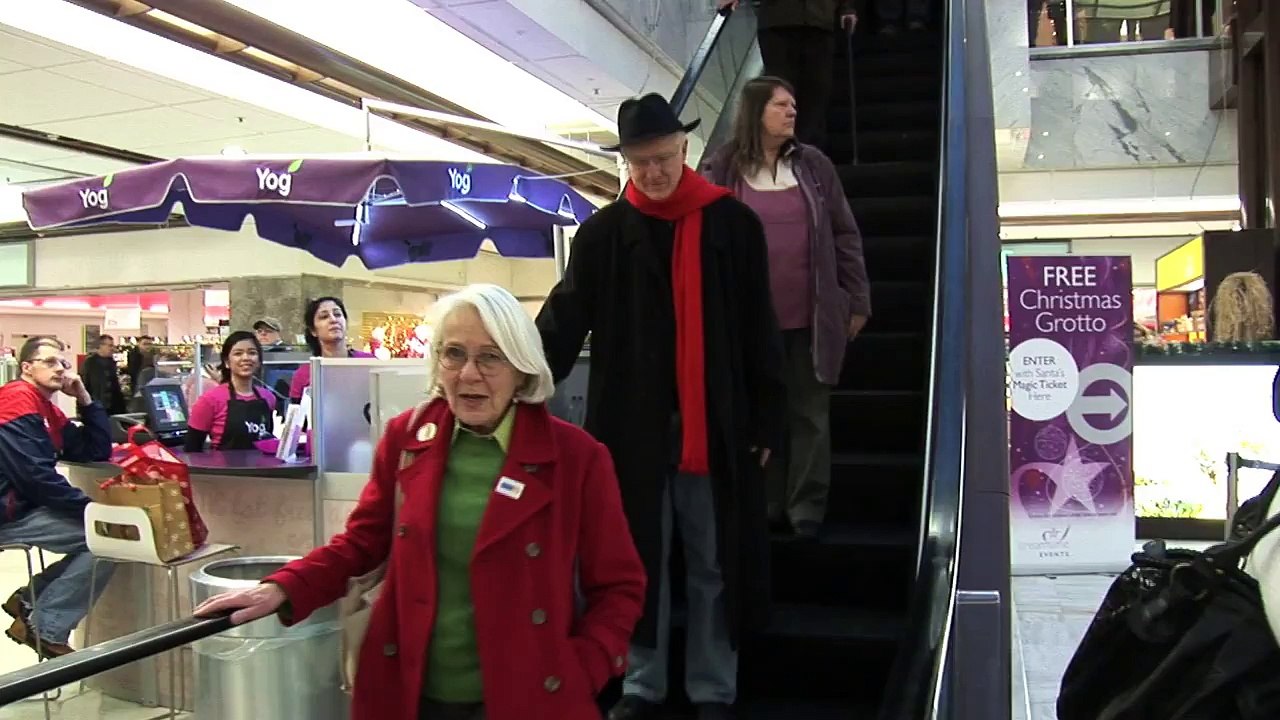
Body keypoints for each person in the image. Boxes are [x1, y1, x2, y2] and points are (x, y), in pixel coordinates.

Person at [195, 284, 645, 720]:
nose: (468, 374)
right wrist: (284, 587)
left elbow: (619, 587)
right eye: (454, 354)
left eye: (491, 357)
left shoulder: (576, 458)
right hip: (411, 693)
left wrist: (582, 669)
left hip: (531, 696)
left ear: (522, 369)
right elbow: (361, 543)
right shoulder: (406, 439)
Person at [536, 93, 786, 720]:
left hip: (715, 428)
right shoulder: (603, 235)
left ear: (685, 150)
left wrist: (766, 419)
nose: (652, 173)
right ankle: (641, 684)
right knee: (636, 561)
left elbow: (760, 328)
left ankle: (712, 688)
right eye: (640, 162)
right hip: (631, 431)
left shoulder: (733, 226)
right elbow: (562, 322)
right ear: (626, 162)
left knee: (713, 563)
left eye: (663, 158)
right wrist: (516, 375)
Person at [701, 76, 871, 540]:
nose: (792, 111)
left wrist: (857, 299)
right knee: (760, 412)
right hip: (749, 321)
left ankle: (806, 506)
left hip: (812, 316)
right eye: (780, 105)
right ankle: (767, 501)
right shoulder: (723, 168)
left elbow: (844, 233)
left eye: (793, 104)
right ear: (755, 112)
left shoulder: (814, 166)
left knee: (810, 412)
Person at [0, 337, 114, 658]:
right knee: (109, 539)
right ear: (26, 367)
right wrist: (91, 511)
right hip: (9, 513)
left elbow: (95, 450)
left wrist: (85, 399)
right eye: (49, 362)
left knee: (108, 537)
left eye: (63, 363)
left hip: (20, 507)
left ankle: (29, 601)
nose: (60, 369)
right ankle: (45, 627)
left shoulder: (46, 408)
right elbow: (35, 477)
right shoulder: (16, 399)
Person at [719, 0, 857, 147]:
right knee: (779, 90)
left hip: (819, 21)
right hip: (778, 21)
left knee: (817, 91)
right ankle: (782, 148)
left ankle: (806, 151)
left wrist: (846, 7)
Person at [184, 331, 276, 451]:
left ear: (259, 361)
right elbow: (192, 449)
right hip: (222, 463)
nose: (246, 358)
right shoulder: (209, 400)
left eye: (252, 353)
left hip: (262, 463)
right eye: (238, 353)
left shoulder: (268, 397)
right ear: (227, 362)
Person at [288, 296, 373, 404]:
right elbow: (296, 412)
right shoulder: (304, 374)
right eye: (324, 317)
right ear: (313, 330)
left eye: (337, 314)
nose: (333, 320)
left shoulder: (369, 362)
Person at [81, 335, 125, 414]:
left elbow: (115, 385)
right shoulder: (90, 363)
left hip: (113, 407)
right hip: (96, 406)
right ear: (101, 346)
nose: (112, 348)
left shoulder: (111, 362)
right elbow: (84, 385)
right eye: (110, 346)